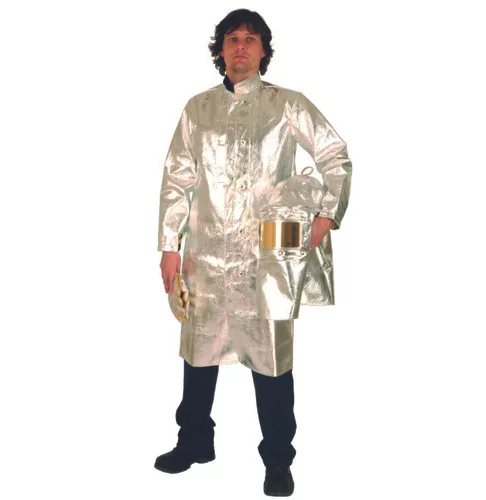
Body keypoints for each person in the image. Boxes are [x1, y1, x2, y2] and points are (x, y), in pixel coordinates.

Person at [154, 8, 352, 497]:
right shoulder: (198, 109)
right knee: (198, 352)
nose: (240, 47)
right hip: (205, 254)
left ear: (264, 50)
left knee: (271, 361)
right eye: (231, 39)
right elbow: (177, 179)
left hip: (267, 256)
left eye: (250, 39)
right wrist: (169, 246)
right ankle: (194, 441)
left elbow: (335, 155)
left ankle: (278, 459)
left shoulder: (288, 105)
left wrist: (327, 214)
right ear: (220, 50)